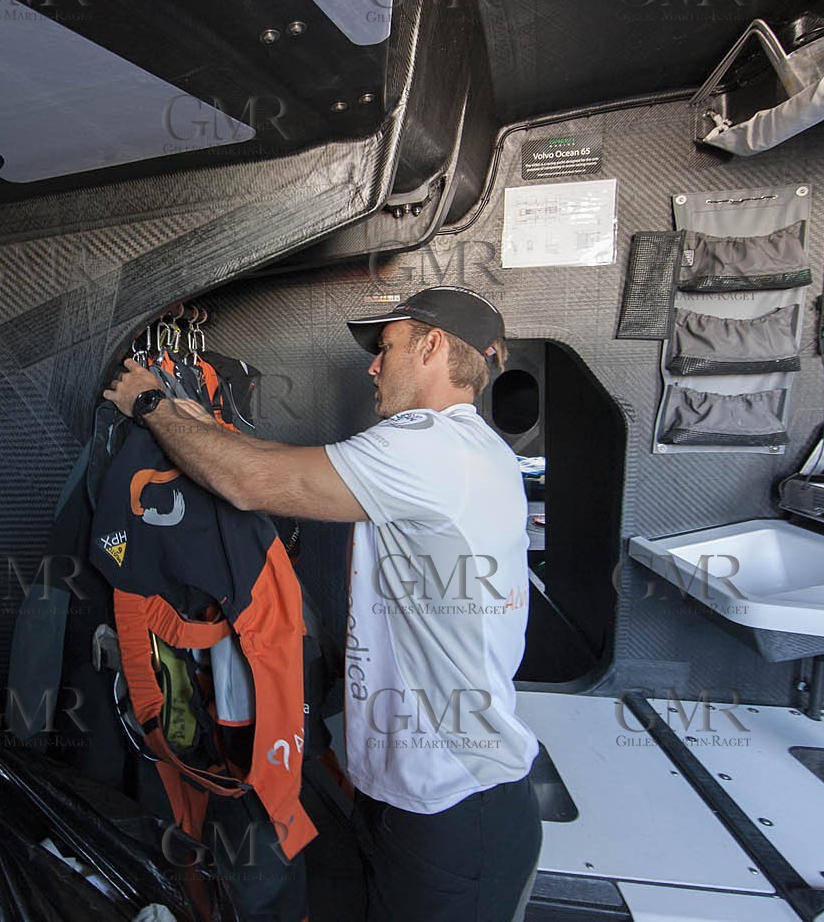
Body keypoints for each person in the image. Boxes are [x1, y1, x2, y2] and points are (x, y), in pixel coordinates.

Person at [103, 284, 542, 921]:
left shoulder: (429, 446)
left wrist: (148, 405)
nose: (372, 366)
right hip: (425, 801)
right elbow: (285, 460)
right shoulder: (464, 447)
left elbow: (249, 481)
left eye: (386, 347)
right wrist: (192, 420)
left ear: (432, 346)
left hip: (454, 813)